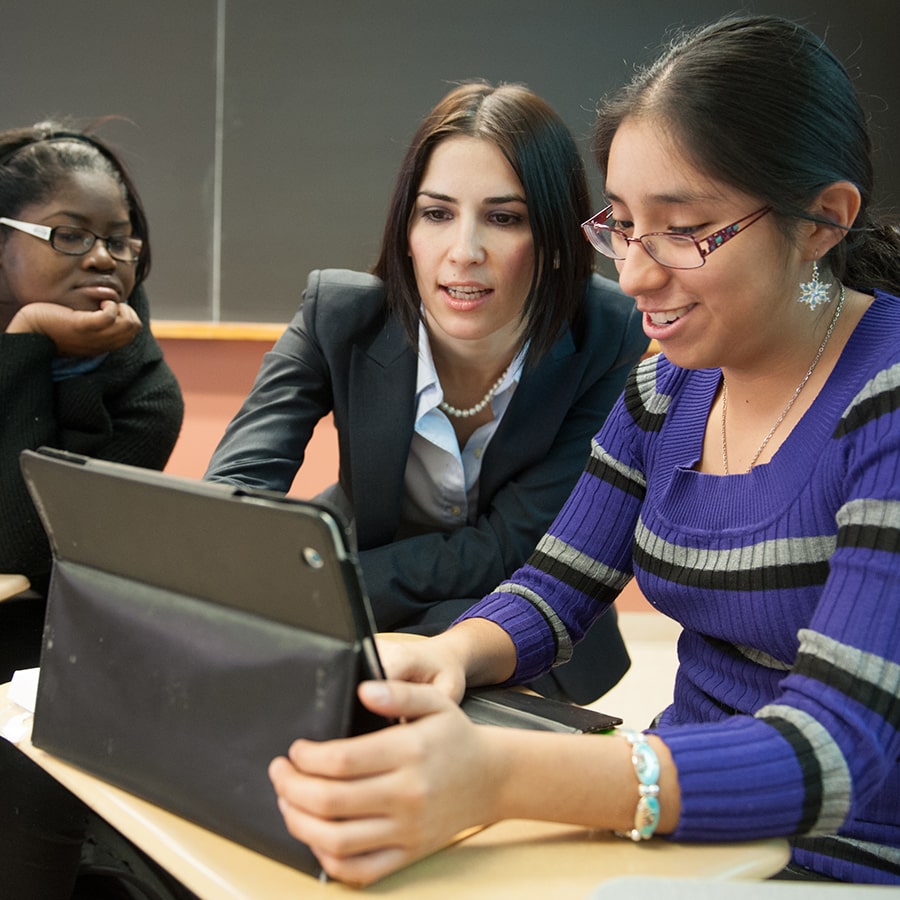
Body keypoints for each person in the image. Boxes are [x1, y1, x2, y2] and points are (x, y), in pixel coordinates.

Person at [268, 16, 900, 886]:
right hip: (685, 833)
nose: (635, 273)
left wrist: (497, 775)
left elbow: (835, 751)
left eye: (683, 230)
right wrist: (448, 656)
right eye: (624, 226)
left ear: (824, 221)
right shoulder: (669, 387)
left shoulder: (886, 401)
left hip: (845, 860)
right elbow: (556, 587)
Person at [205, 82, 648, 704]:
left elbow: (514, 547)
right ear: (406, 230)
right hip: (368, 592)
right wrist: (253, 572)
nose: (462, 253)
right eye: (436, 213)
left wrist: (320, 585)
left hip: (510, 618)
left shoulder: (612, 330)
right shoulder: (338, 313)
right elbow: (236, 491)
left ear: (553, 241)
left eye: (504, 218)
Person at [0, 123, 186, 899]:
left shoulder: (146, 390)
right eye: (70, 236)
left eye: (120, 239)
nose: (104, 258)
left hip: (53, 641)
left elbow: (22, 541)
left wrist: (32, 339)